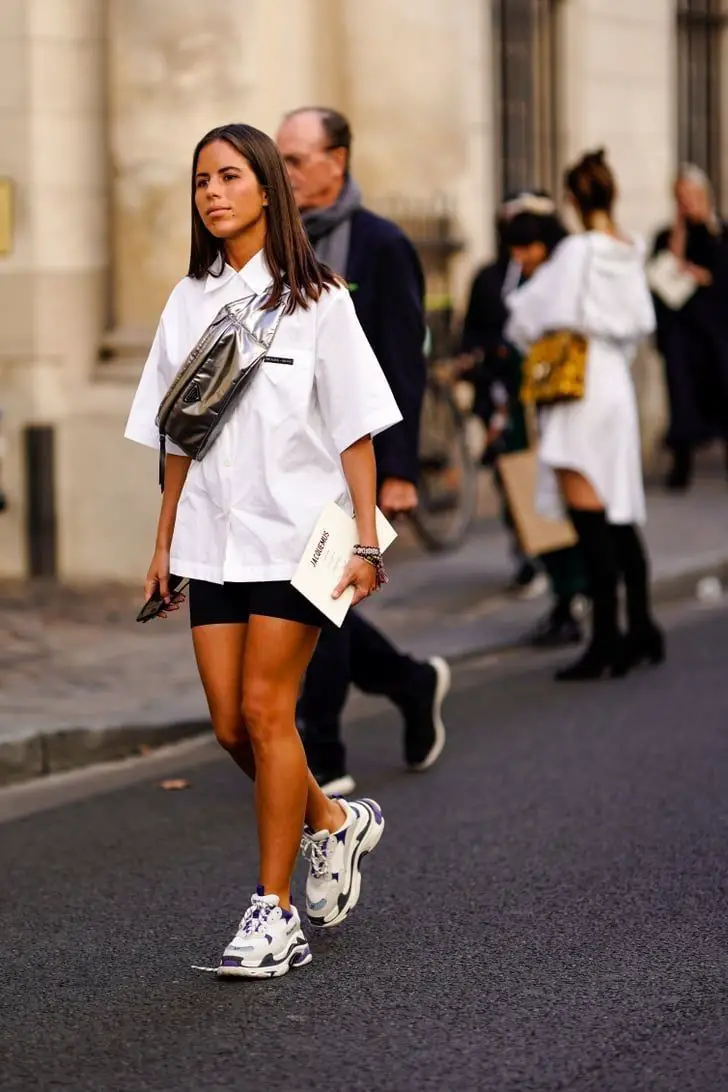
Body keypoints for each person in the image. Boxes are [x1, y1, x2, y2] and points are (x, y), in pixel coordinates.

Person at [124, 123, 403, 978]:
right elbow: (178, 434)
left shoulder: (320, 300)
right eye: (201, 179)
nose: (212, 193)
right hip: (211, 539)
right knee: (226, 723)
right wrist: (165, 539)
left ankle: (272, 913)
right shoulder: (187, 302)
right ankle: (333, 822)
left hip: (295, 540)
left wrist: (365, 541)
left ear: (268, 190)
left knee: (266, 712)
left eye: (230, 176)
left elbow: (355, 430)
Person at [276, 106, 450, 795]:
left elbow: (406, 362)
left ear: (335, 162)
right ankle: (412, 683)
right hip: (292, 457)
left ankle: (324, 752)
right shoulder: (273, 244)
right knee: (318, 599)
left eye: (294, 159)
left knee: (322, 598)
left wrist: (400, 470)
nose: (283, 172)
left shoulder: (379, 244)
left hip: (360, 456)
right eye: (279, 159)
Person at [505, 149, 665, 681]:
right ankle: (641, 627)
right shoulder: (627, 249)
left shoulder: (577, 252)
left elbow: (528, 315)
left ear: (572, 199)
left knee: (590, 519)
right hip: (614, 382)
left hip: (581, 387)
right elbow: (643, 319)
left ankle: (606, 641)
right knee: (619, 508)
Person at [460, 195, 587, 647]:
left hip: (548, 412)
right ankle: (556, 589)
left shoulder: (558, 282)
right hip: (513, 411)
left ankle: (572, 596)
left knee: (556, 509)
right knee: (528, 502)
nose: (523, 257)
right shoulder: (494, 279)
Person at [651, 164, 728, 491]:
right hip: (683, 336)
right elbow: (663, 272)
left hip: (717, 334)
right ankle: (680, 470)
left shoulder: (720, 234)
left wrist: (705, 277)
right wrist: (679, 230)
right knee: (682, 399)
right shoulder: (667, 236)